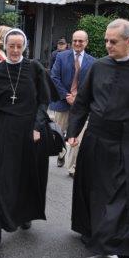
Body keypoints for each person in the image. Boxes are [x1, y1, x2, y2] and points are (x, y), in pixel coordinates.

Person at [67, 19, 129, 258]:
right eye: (106, 40)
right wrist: (73, 131)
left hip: (127, 140)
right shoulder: (98, 67)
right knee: (93, 189)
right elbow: (83, 101)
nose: (107, 45)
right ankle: (91, 232)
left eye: (113, 41)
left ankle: (127, 250)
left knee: (127, 196)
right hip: (96, 136)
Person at [0, 28, 51, 249]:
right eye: (12, 46)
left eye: (19, 46)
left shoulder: (34, 68)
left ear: (24, 47)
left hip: (29, 130)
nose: (16, 50)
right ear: (5, 46)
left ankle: (25, 212)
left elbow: (44, 100)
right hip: (4, 130)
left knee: (26, 176)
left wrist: (37, 126)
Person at [50, 31, 95, 176]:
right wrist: (66, 95)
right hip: (62, 103)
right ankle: (61, 151)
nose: (77, 43)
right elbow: (54, 77)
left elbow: (92, 84)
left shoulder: (93, 62)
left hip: (81, 106)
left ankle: (73, 168)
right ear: (71, 42)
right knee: (57, 134)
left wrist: (80, 98)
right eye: (75, 40)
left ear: (86, 42)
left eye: (81, 41)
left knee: (78, 138)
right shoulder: (61, 57)